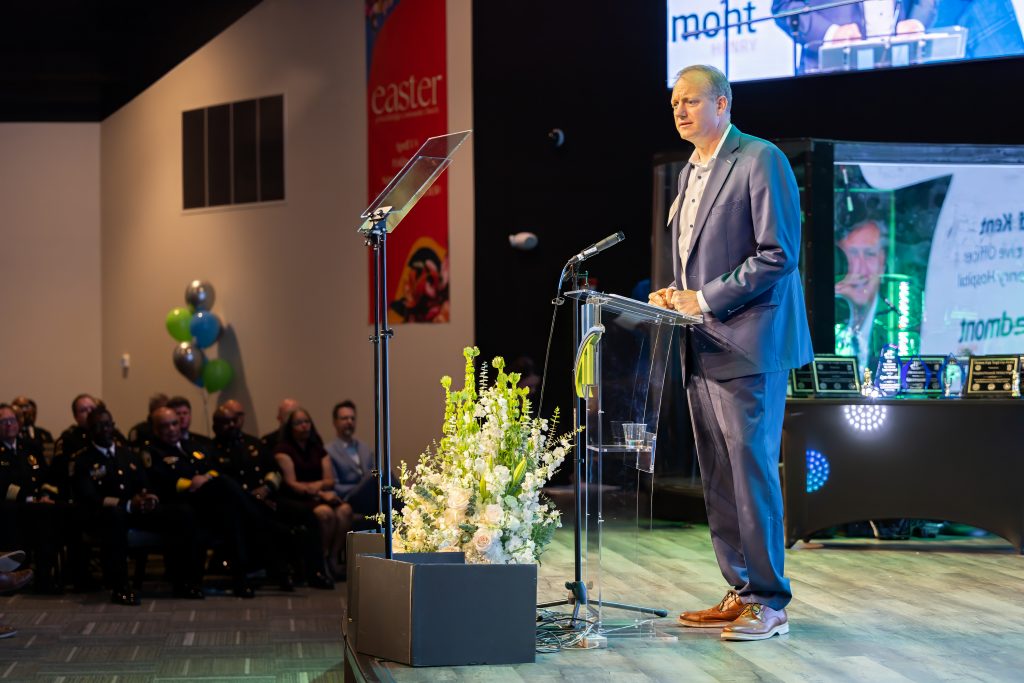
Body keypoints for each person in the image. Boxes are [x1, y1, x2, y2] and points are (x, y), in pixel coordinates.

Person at [649, 65, 813, 641]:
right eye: (675, 102)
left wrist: (702, 298)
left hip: (749, 344)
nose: (680, 110)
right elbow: (702, 257)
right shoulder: (690, 170)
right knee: (719, 476)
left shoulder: (760, 159)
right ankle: (741, 590)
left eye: (691, 100)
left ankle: (769, 602)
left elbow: (777, 254)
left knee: (751, 471)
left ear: (723, 103)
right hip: (702, 342)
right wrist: (677, 294)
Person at [72, 407, 204, 604]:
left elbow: (145, 484)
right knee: (115, 516)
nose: (104, 430)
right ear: (89, 430)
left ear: (113, 426)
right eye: (98, 426)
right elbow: (90, 497)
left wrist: (150, 498)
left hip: (135, 511)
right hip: (105, 515)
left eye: (107, 425)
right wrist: (126, 504)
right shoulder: (82, 460)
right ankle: (121, 588)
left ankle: (187, 582)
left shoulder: (128, 455)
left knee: (183, 512)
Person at [140, 406, 258, 598]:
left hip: (206, 500)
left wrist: (205, 478)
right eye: (165, 426)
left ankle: (241, 579)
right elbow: (160, 482)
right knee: (220, 493)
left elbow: (214, 468)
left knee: (230, 512)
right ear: (155, 429)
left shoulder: (192, 446)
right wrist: (191, 483)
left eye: (174, 423)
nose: (172, 429)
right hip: (177, 502)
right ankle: (255, 513)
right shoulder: (151, 451)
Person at [273, 408, 342, 582]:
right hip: (294, 499)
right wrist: (320, 491)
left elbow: (329, 480)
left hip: (317, 495)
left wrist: (317, 487)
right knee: (325, 513)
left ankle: (332, 557)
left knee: (345, 511)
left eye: (307, 422)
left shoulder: (317, 448)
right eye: (298, 423)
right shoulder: (283, 450)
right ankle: (319, 561)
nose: (304, 426)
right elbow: (292, 484)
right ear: (290, 427)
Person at [772, 0, 936, 73]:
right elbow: (784, 6)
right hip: (831, 75)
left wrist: (916, 21)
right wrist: (830, 33)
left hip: (901, 67)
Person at [835, 219, 891, 373]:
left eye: (869, 254)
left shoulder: (898, 325)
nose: (859, 268)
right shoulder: (821, 317)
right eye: (852, 254)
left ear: (883, 264)